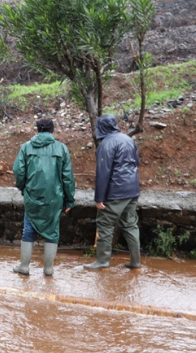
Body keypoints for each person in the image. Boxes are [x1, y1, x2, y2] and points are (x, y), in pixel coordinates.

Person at [12, 118, 75, 276]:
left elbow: (19, 171)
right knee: (52, 231)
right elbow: (67, 177)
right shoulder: (61, 149)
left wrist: (23, 188)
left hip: (32, 195)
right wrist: (69, 200)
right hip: (54, 197)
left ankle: (24, 266)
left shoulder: (26, 147)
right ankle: (48, 269)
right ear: (52, 130)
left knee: (28, 229)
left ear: (37, 130)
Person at [84, 114, 141, 270]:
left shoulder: (106, 144)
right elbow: (137, 162)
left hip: (115, 192)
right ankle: (136, 262)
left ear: (101, 128)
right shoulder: (129, 140)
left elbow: (103, 172)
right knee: (130, 225)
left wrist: (99, 198)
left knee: (105, 225)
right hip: (133, 190)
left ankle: (102, 261)